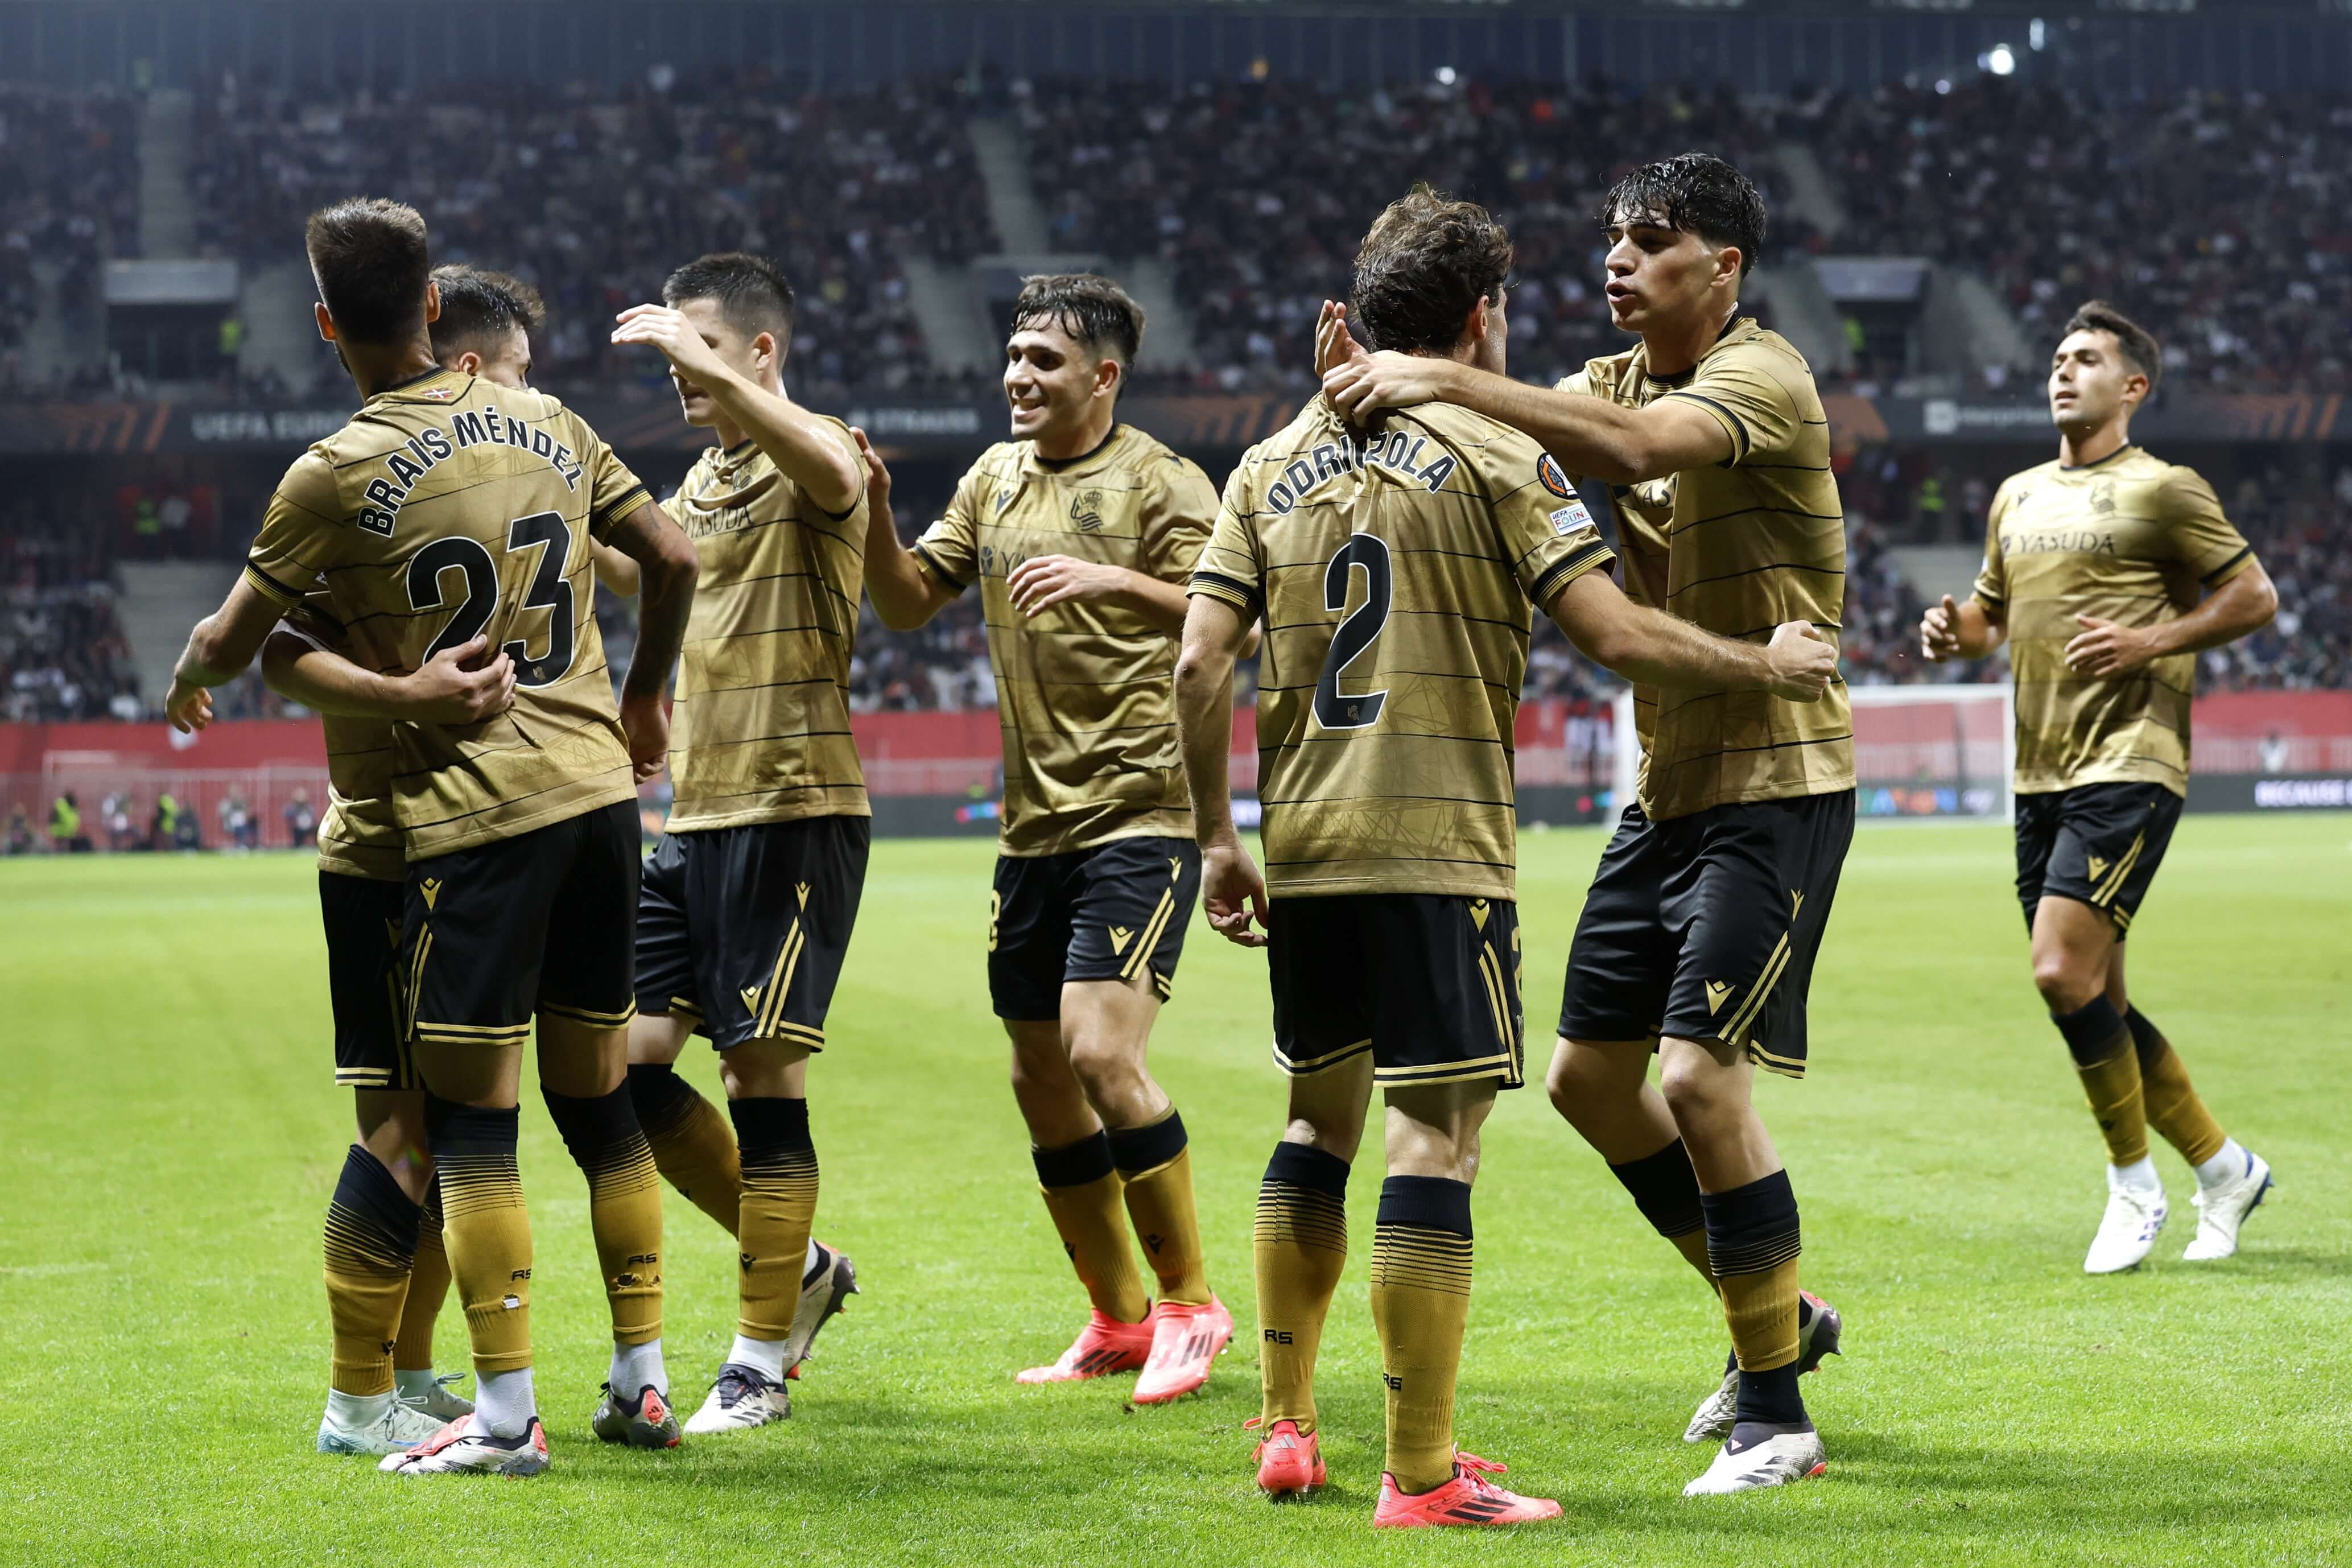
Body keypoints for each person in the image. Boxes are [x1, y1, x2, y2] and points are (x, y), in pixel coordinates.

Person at [1183, 188, 1838, 1527]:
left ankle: (1767, 1397)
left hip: (1728, 784)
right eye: (1609, 242)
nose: (1616, 262)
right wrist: (1764, 660)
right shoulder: (1503, 445)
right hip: (1495, 828)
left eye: (1645, 244)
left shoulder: (1760, 372)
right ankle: (1431, 1468)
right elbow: (1609, 614)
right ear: (1483, 314)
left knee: (1339, 1118)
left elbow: (1199, 664)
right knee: (1512, 1107)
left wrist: (1213, 837)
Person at [163, 197, 702, 1477]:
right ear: (434, 307)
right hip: (597, 802)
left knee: (448, 1130)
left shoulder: (333, 472)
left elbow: (240, 644)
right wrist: (642, 700)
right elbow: (674, 558)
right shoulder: (547, 420)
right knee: (599, 1103)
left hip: (460, 821)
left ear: (322, 322)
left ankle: (484, 1417)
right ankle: (635, 1381)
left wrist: (194, 673)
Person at [859, 274, 1234, 1402]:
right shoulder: (991, 477)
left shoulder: (1163, 480)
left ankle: (1191, 1304)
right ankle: (1119, 1317)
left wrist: (1114, 577)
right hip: (1033, 828)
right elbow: (907, 602)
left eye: (1044, 360)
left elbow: (1242, 618)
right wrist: (873, 510)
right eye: (1014, 356)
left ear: (1104, 375)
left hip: (1140, 810)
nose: (1017, 376)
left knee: (1100, 1053)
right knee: (1039, 1075)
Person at [1921, 300, 2279, 1273]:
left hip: (2129, 758)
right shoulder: (2016, 495)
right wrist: (1952, 634)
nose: (2061, 371)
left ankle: (2132, 1186)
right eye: (2056, 358)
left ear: (2132, 387)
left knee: (2057, 971)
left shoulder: (2164, 489)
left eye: (2084, 358)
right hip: (2038, 768)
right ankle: (2225, 1169)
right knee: (2095, 996)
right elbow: (1989, 619)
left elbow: (2252, 595)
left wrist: (2149, 640)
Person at [606, 252, 869, 1434]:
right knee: (622, 1067)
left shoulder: (824, 448)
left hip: (793, 807)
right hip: (695, 815)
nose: (678, 370)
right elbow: (649, 574)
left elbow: (832, 471)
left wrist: (707, 367)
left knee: (760, 1075)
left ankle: (757, 1361)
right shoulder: (704, 481)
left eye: (698, 347)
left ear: (761, 352)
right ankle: (800, 1267)